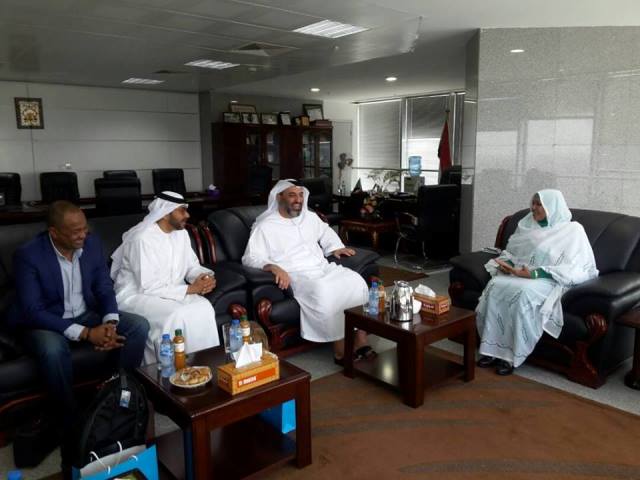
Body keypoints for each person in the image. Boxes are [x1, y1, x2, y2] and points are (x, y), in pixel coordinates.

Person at [8, 201, 149, 427]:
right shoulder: (29, 255)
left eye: (85, 228)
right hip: (47, 321)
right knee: (52, 349)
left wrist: (110, 324)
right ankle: (69, 418)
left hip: (85, 314)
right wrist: (87, 333)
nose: (83, 235)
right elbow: (33, 311)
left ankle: (116, 394)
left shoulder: (92, 244)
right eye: (76, 231)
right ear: (54, 232)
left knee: (138, 326)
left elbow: (104, 287)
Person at [242, 179, 373, 363]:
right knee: (324, 290)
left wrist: (335, 247)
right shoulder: (265, 226)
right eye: (292, 195)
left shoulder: (309, 217)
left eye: (301, 195)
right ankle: (340, 349)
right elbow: (250, 257)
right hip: (297, 275)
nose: (298, 200)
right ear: (279, 197)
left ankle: (361, 339)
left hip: (322, 267)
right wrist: (272, 266)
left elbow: (325, 231)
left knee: (355, 280)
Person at [475, 189, 598, 375]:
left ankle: (510, 357)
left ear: (552, 206)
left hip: (549, 279)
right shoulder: (526, 224)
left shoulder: (573, 230)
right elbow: (513, 254)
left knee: (523, 293)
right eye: (533, 203)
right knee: (495, 285)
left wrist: (535, 273)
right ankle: (490, 349)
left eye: (539, 204)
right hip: (520, 275)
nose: (533, 208)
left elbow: (578, 268)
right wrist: (508, 265)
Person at [111, 191, 219, 364]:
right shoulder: (142, 238)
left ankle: (202, 366)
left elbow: (191, 266)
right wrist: (191, 289)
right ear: (165, 213)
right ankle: (165, 371)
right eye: (182, 210)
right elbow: (148, 286)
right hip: (136, 295)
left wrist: (203, 277)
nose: (187, 215)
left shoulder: (181, 234)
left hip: (173, 291)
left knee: (204, 307)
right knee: (176, 314)